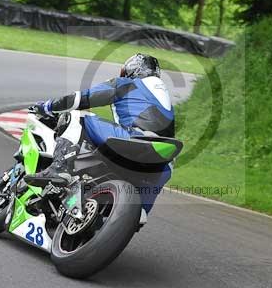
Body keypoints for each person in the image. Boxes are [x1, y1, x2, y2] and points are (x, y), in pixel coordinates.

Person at [24, 53, 174, 212]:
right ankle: (139, 213)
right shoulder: (166, 101)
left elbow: (80, 99)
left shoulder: (125, 84)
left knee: (76, 115)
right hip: (163, 160)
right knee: (140, 209)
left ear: (133, 70)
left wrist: (46, 106)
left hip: (132, 139)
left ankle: (59, 169)